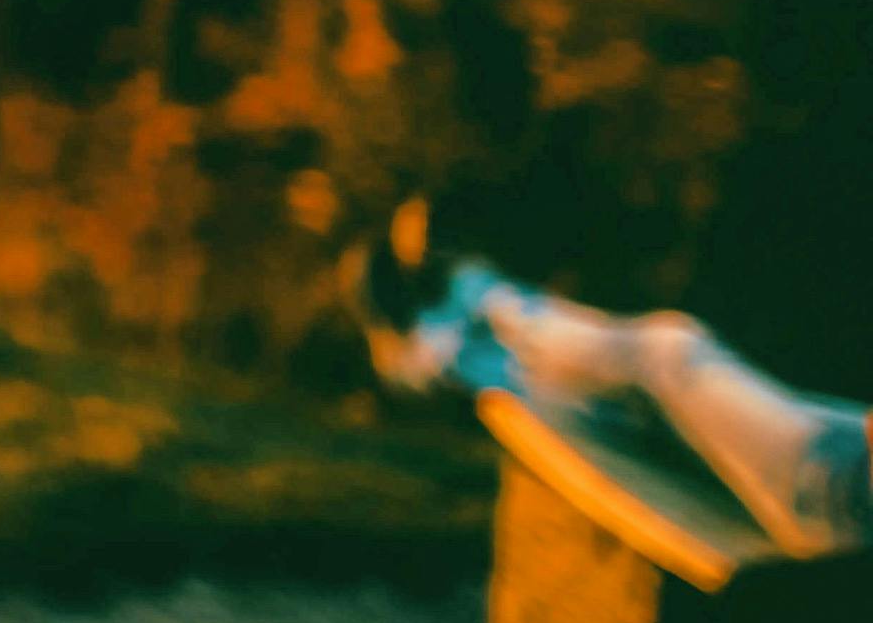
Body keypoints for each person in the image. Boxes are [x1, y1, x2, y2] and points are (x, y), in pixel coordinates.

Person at [358, 199, 871, 559]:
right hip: (844, 484)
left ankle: (457, 311)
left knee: (665, 351)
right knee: (654, 376)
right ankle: (466, 307)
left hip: (842, 497)